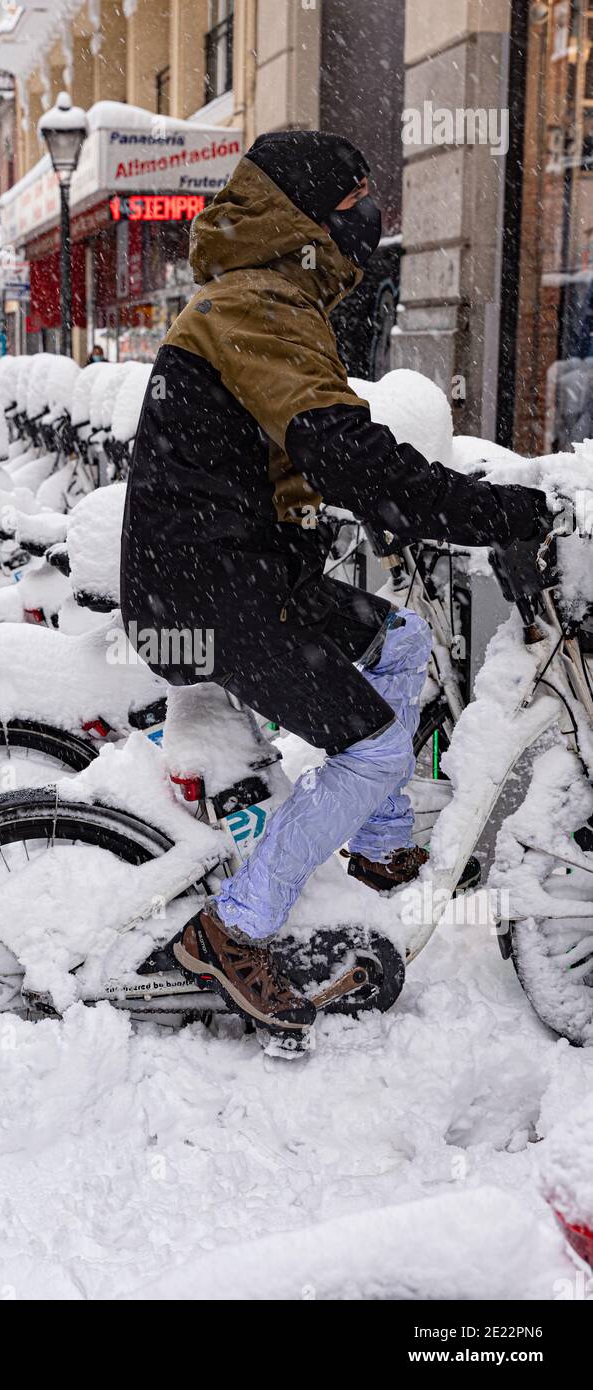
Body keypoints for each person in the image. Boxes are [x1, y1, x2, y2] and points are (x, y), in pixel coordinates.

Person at [119, 130, 552, 1038]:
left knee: (397, 640)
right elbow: (341, 447)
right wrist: (493, 512)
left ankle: (378, 846)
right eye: (356, 202)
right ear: (306, 215)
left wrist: (388, 501)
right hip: (204, 597)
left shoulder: (268, 298)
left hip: (232, 572)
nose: (369, 220)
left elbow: (293, 447)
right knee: (376, 749)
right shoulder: (260, 304)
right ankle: (228, 933)